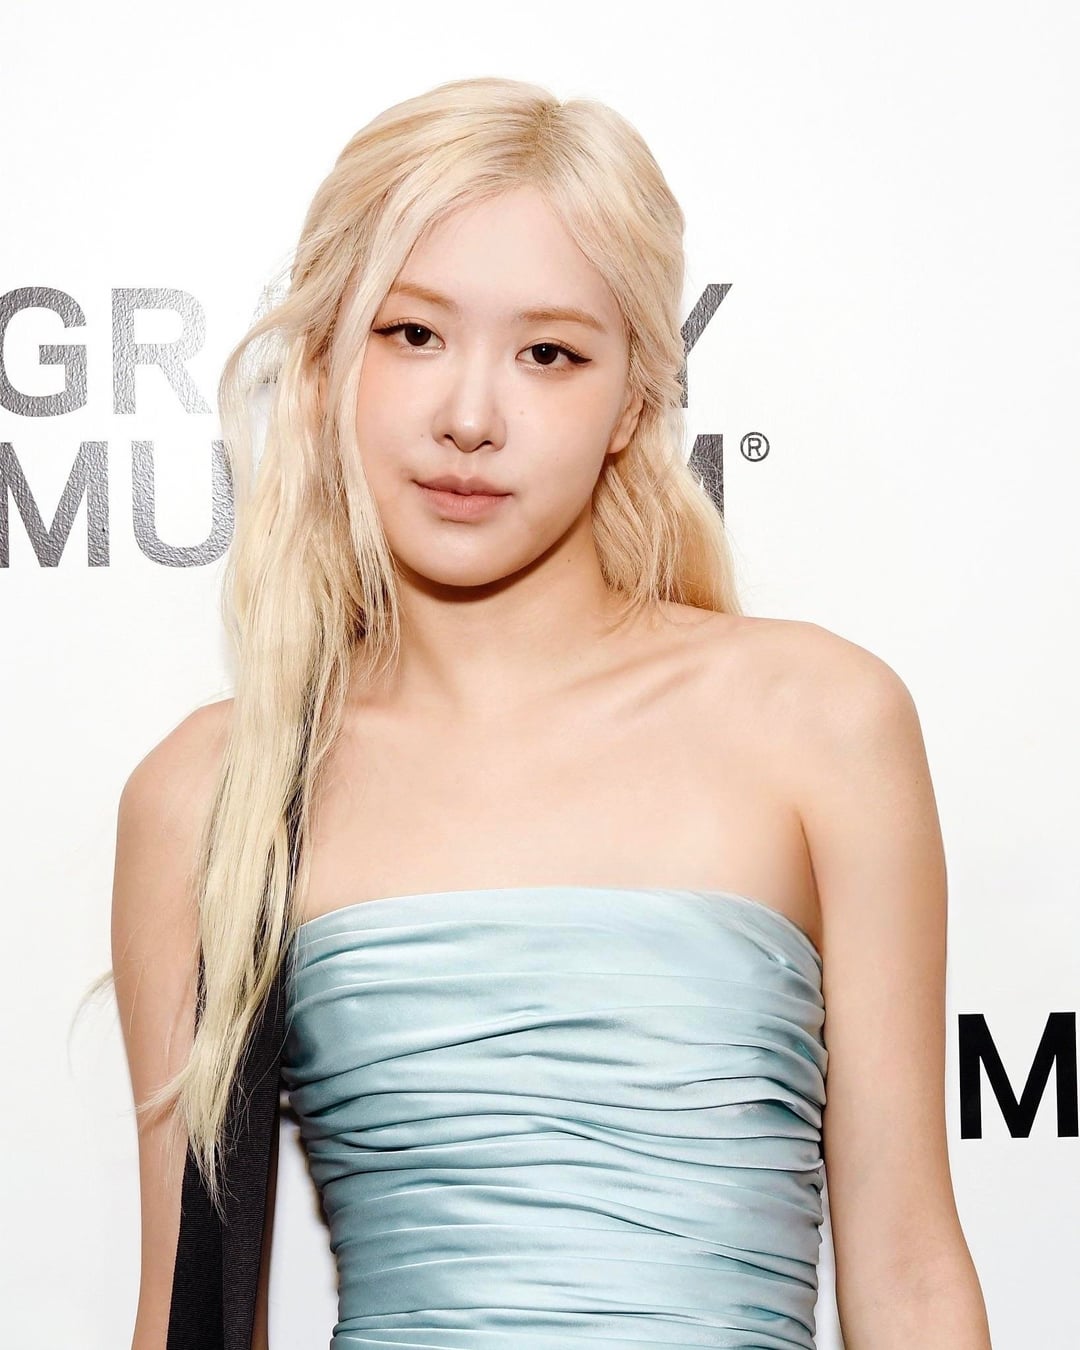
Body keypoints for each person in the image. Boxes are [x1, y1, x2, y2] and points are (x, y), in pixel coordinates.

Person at [107, 75, 992, 1349]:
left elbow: (909, 1276)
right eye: (413, 333)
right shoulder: (214, 795)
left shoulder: (820, 722)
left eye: (549, 354)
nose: (470, 417)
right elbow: (185, 1317)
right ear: (323, 364)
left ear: (633, 400)